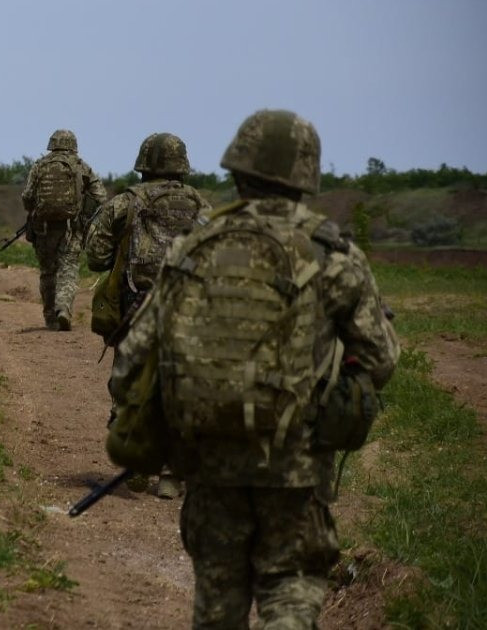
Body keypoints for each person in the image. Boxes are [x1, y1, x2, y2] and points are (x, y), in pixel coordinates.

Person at [109, 109, 399, 628]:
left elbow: (132, 359)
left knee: (218, 596)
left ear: (236, 170)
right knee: (289, 586)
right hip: (296, 464)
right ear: (306, 177)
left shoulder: (194, 248)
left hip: (208, 461)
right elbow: (380, 360)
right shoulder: (334, 256)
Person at [85, 132, 212, 499]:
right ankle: (172, 475)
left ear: (143, 164)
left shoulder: (125, 202)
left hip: (138, 307)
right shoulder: (203, 207)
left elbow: (95, 255)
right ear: (183, 166)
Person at [21, 129, 108, 329]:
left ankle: (50, 317)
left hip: (43, 229)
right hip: (71, 229)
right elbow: (101, 197)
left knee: (47, 272)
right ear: (73, 145)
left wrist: (37, 209)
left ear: (51, 144)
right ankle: (64, 309)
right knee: (68, 269)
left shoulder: (39, 166)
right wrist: (85, 212)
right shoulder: (80, 166)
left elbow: (27, 197)